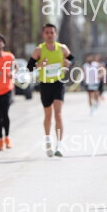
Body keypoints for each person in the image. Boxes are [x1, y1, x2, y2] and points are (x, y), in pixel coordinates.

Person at [27, 23, 74, 157]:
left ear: (55, 34)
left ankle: (59, 145)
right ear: (43, 35)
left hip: (58, 83)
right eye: (47, 33)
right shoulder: (39, 50)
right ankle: (48, 140)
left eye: (52, 32)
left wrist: (68, 64)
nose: (49, 35)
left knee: (58, 114)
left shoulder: (62, 48)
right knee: (48, 115)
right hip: (45, 84)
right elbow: (29, 67)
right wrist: (39, 65)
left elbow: (72, 59)